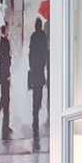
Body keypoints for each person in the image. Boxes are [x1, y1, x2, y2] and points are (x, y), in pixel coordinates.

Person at [28, 12, 50, 146]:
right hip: (40, 69)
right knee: (39, 92)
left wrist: (31, 66)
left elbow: (30, 53)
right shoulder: (42, 36)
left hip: (34, 69)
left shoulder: (32, 36)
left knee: (35, 93)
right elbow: (45, 52)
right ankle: (37, 109)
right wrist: (44, 64)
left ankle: (35, 116)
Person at [0, 27, 15, 146]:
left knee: (5, 98)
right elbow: (5, 60)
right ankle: (5, 127)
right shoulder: (5, 42)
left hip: (3, 74)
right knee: (6, 99)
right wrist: (7, 75)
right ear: (5, 30)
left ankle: (1, 121)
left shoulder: (4, 41)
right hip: (5, 75)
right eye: (8, 29)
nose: (9, 31)